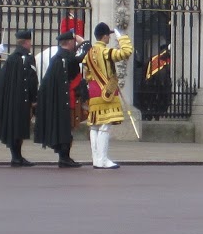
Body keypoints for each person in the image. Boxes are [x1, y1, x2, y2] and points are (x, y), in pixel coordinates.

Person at [36, 22, 88, 168]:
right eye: (73, 42)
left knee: (65, 128)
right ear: (70, 42)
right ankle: (64, 157)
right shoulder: (67, 58)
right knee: (67, 128)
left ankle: (64, 156)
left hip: (59, 99)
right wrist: (83, 42)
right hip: (68, 99)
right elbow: (85, 53)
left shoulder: (58, 58)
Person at [84, 21, 133, 169]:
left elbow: (88, 76)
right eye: (108, 36)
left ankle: (96, 159)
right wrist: (122, 38)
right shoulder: (105, 52)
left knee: (95, 126)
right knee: (105, 126)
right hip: (106, 93)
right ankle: (103, 159)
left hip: (94, 92)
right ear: (105, 36)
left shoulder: (89, 54)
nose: (109, 38)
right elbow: (126, 52)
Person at [0, 28, 39, 166]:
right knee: (21, 127)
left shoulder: (11, 58)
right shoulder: (28, 57)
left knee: (14, 127)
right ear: (27, 42)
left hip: (11, 99)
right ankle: (17, 157)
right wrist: (34, 98)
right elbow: (31, 80)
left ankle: (16, 155)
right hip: (23, 100)